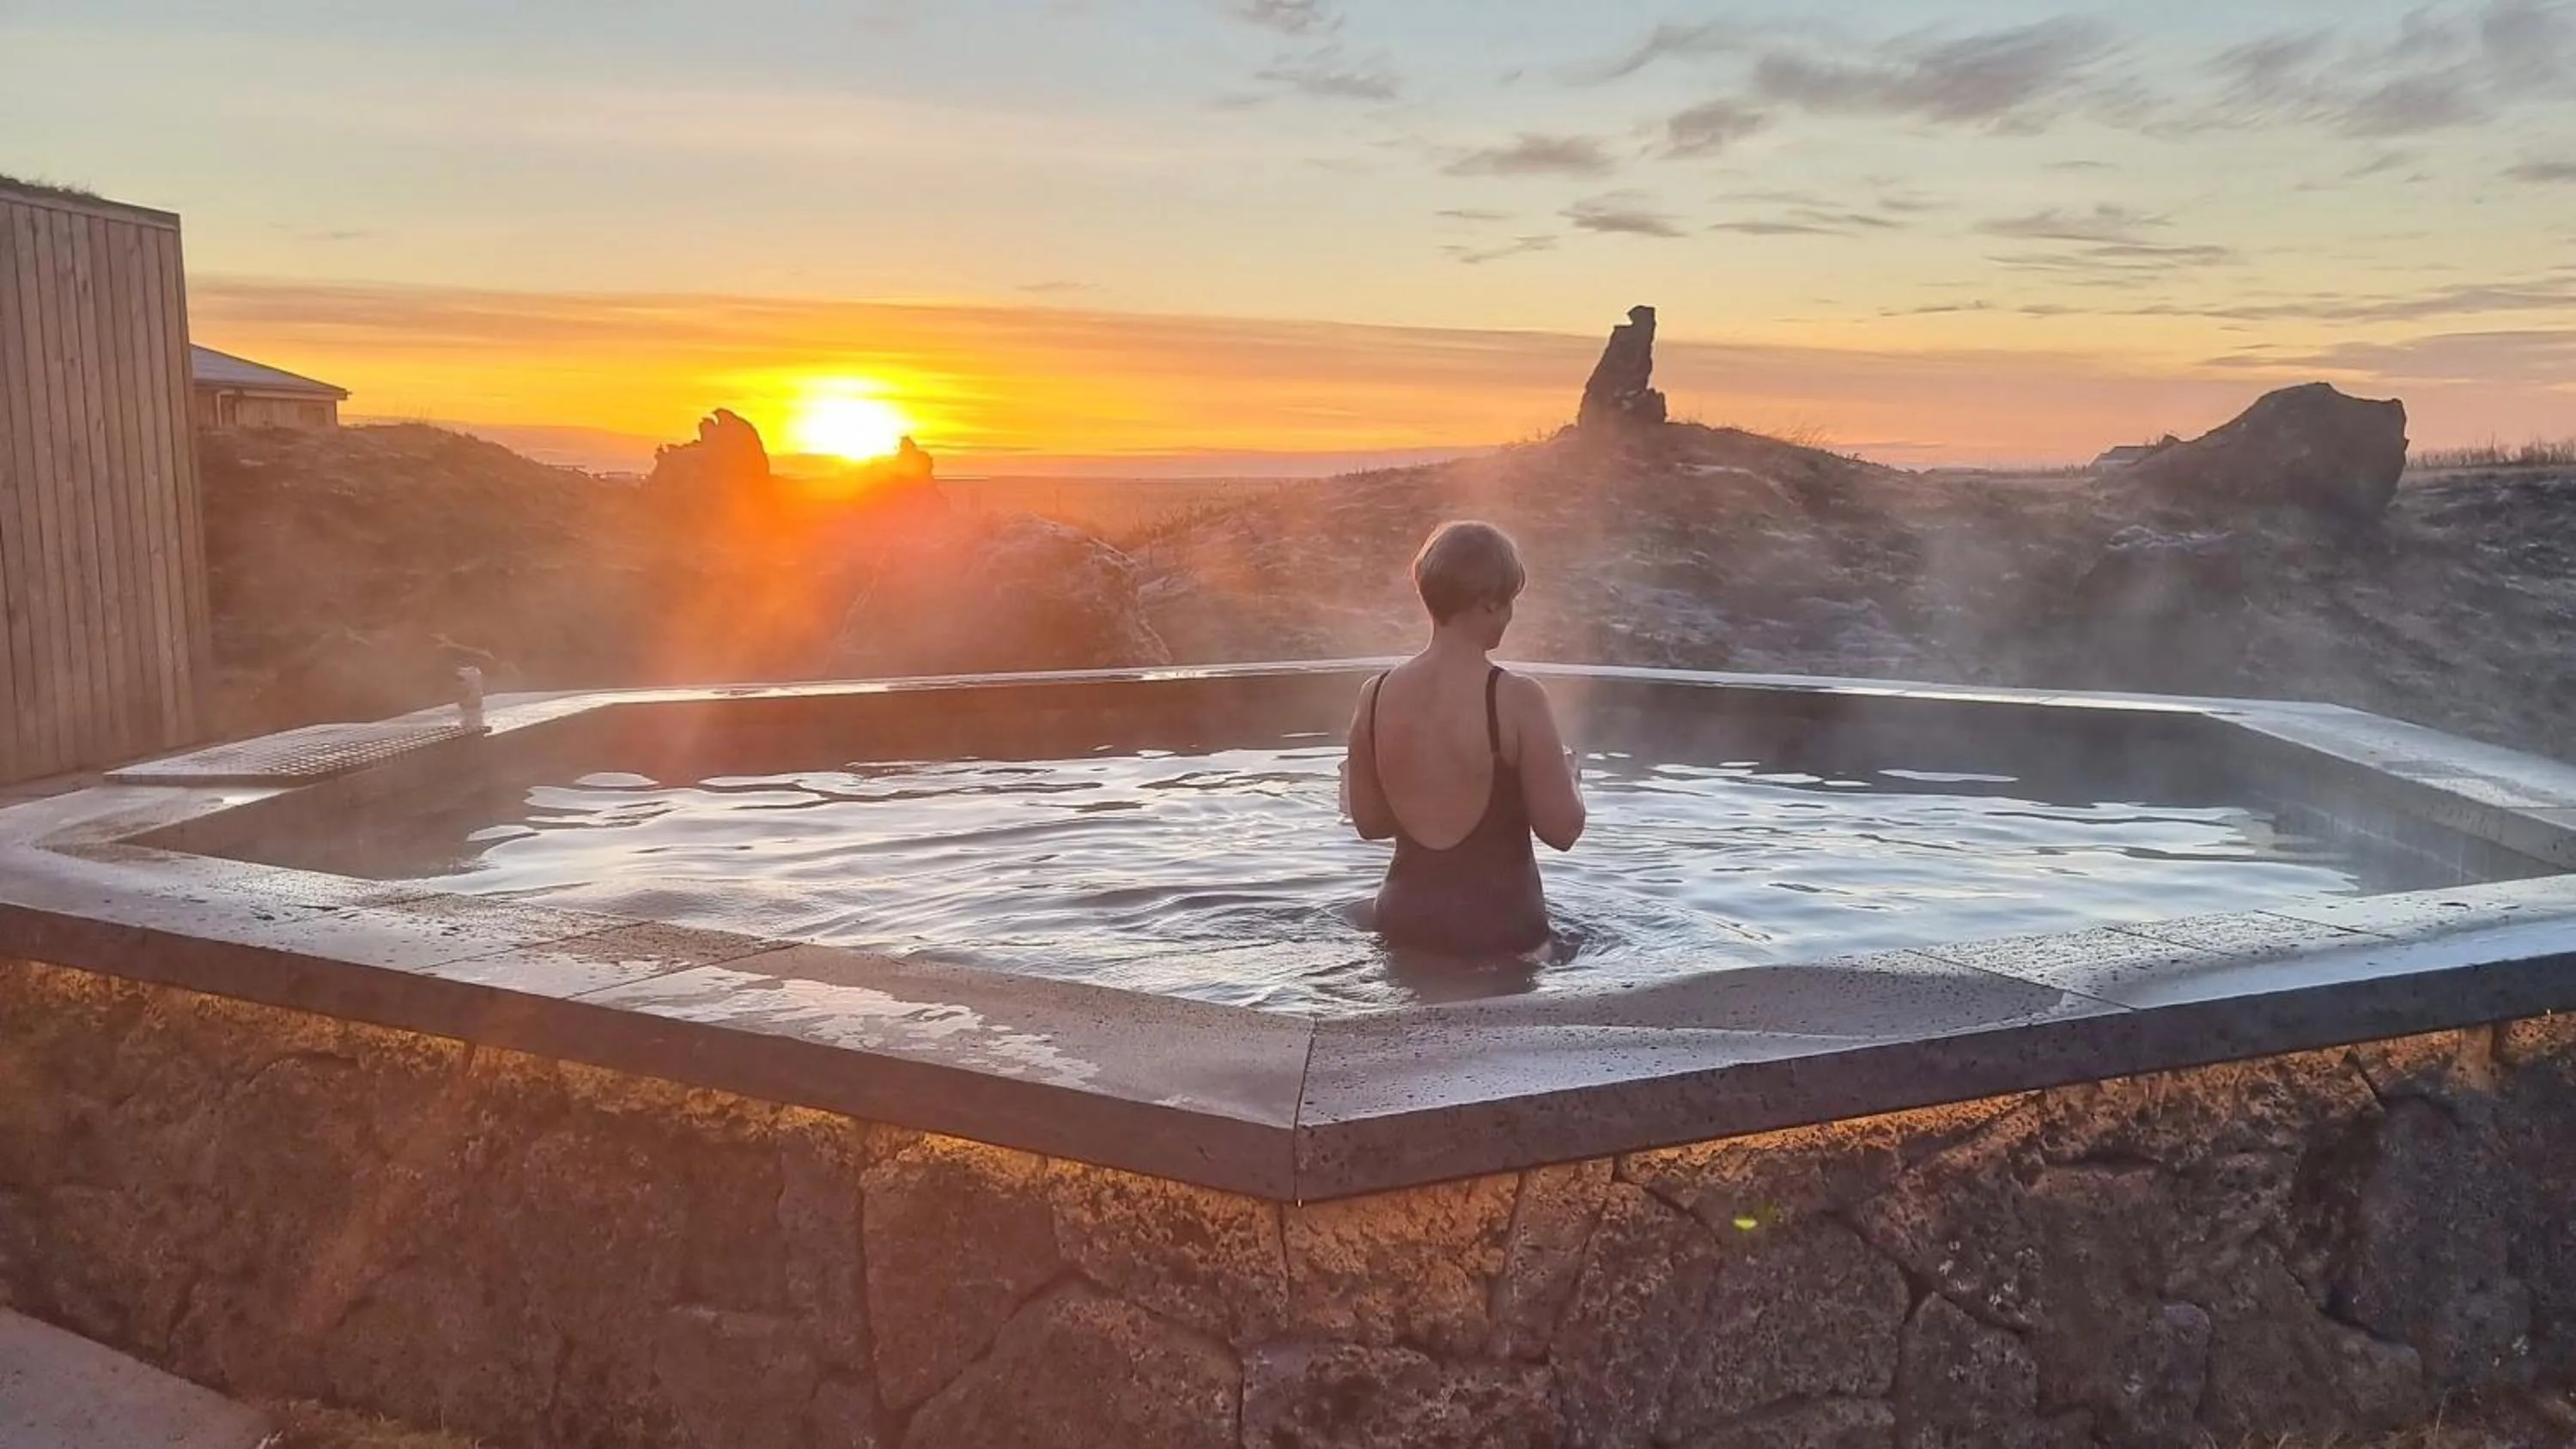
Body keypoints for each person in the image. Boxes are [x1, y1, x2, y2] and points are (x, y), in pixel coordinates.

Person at [1341, 520, 1585, 955]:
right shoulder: (1516, 698)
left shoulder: (1375, 694)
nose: (1510, 615)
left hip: (1403, 922)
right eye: (1508, 602)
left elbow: (1370, 824)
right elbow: (1562, 830)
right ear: (1487, 603)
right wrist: (1570, 780)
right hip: (1501, 930)